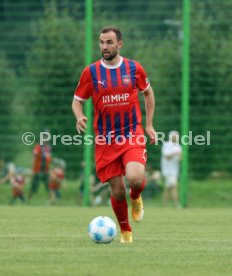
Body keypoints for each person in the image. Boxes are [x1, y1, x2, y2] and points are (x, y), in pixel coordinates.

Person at [72, 26, 155, 243]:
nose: (104, 46)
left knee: (135, 178)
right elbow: (77, 101)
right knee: (117, 191)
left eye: (109, 42)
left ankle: (136, 197)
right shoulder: (91, 72)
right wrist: (79, 116)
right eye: (101, 42)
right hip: (105, 139)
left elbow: (148, 92)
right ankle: (126, 232)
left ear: (119, 44)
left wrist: (148, 125)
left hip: (131, 133)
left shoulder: (134, 68)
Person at [161, 131, 182, 208]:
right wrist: (175, 153)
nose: (176, 138)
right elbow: (166, 156)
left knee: (168, 188)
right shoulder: (166, 145)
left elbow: (180, 159)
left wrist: (179, 157)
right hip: (168, 170)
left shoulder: (178, 146)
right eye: (174, 136)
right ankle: (176, 204)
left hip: (175, 170)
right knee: (173, 186)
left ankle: (164, 205)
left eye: (177, 136)